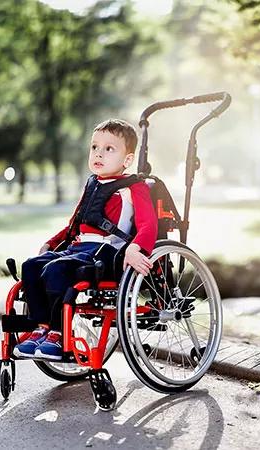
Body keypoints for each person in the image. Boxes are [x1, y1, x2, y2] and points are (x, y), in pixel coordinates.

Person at [13, 119, 158, 360]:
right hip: (79, 247)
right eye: (94, 147)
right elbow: (75, 225)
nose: (99, 153)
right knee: (31, 266)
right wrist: (51, 243)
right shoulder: (92, 184)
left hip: (107, 251)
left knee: (56, 270)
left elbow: (148, 225)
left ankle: (58, 335)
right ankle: (41, 328)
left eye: (109, 149)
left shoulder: (134, 187)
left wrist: (136, 249)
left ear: (127, 160)